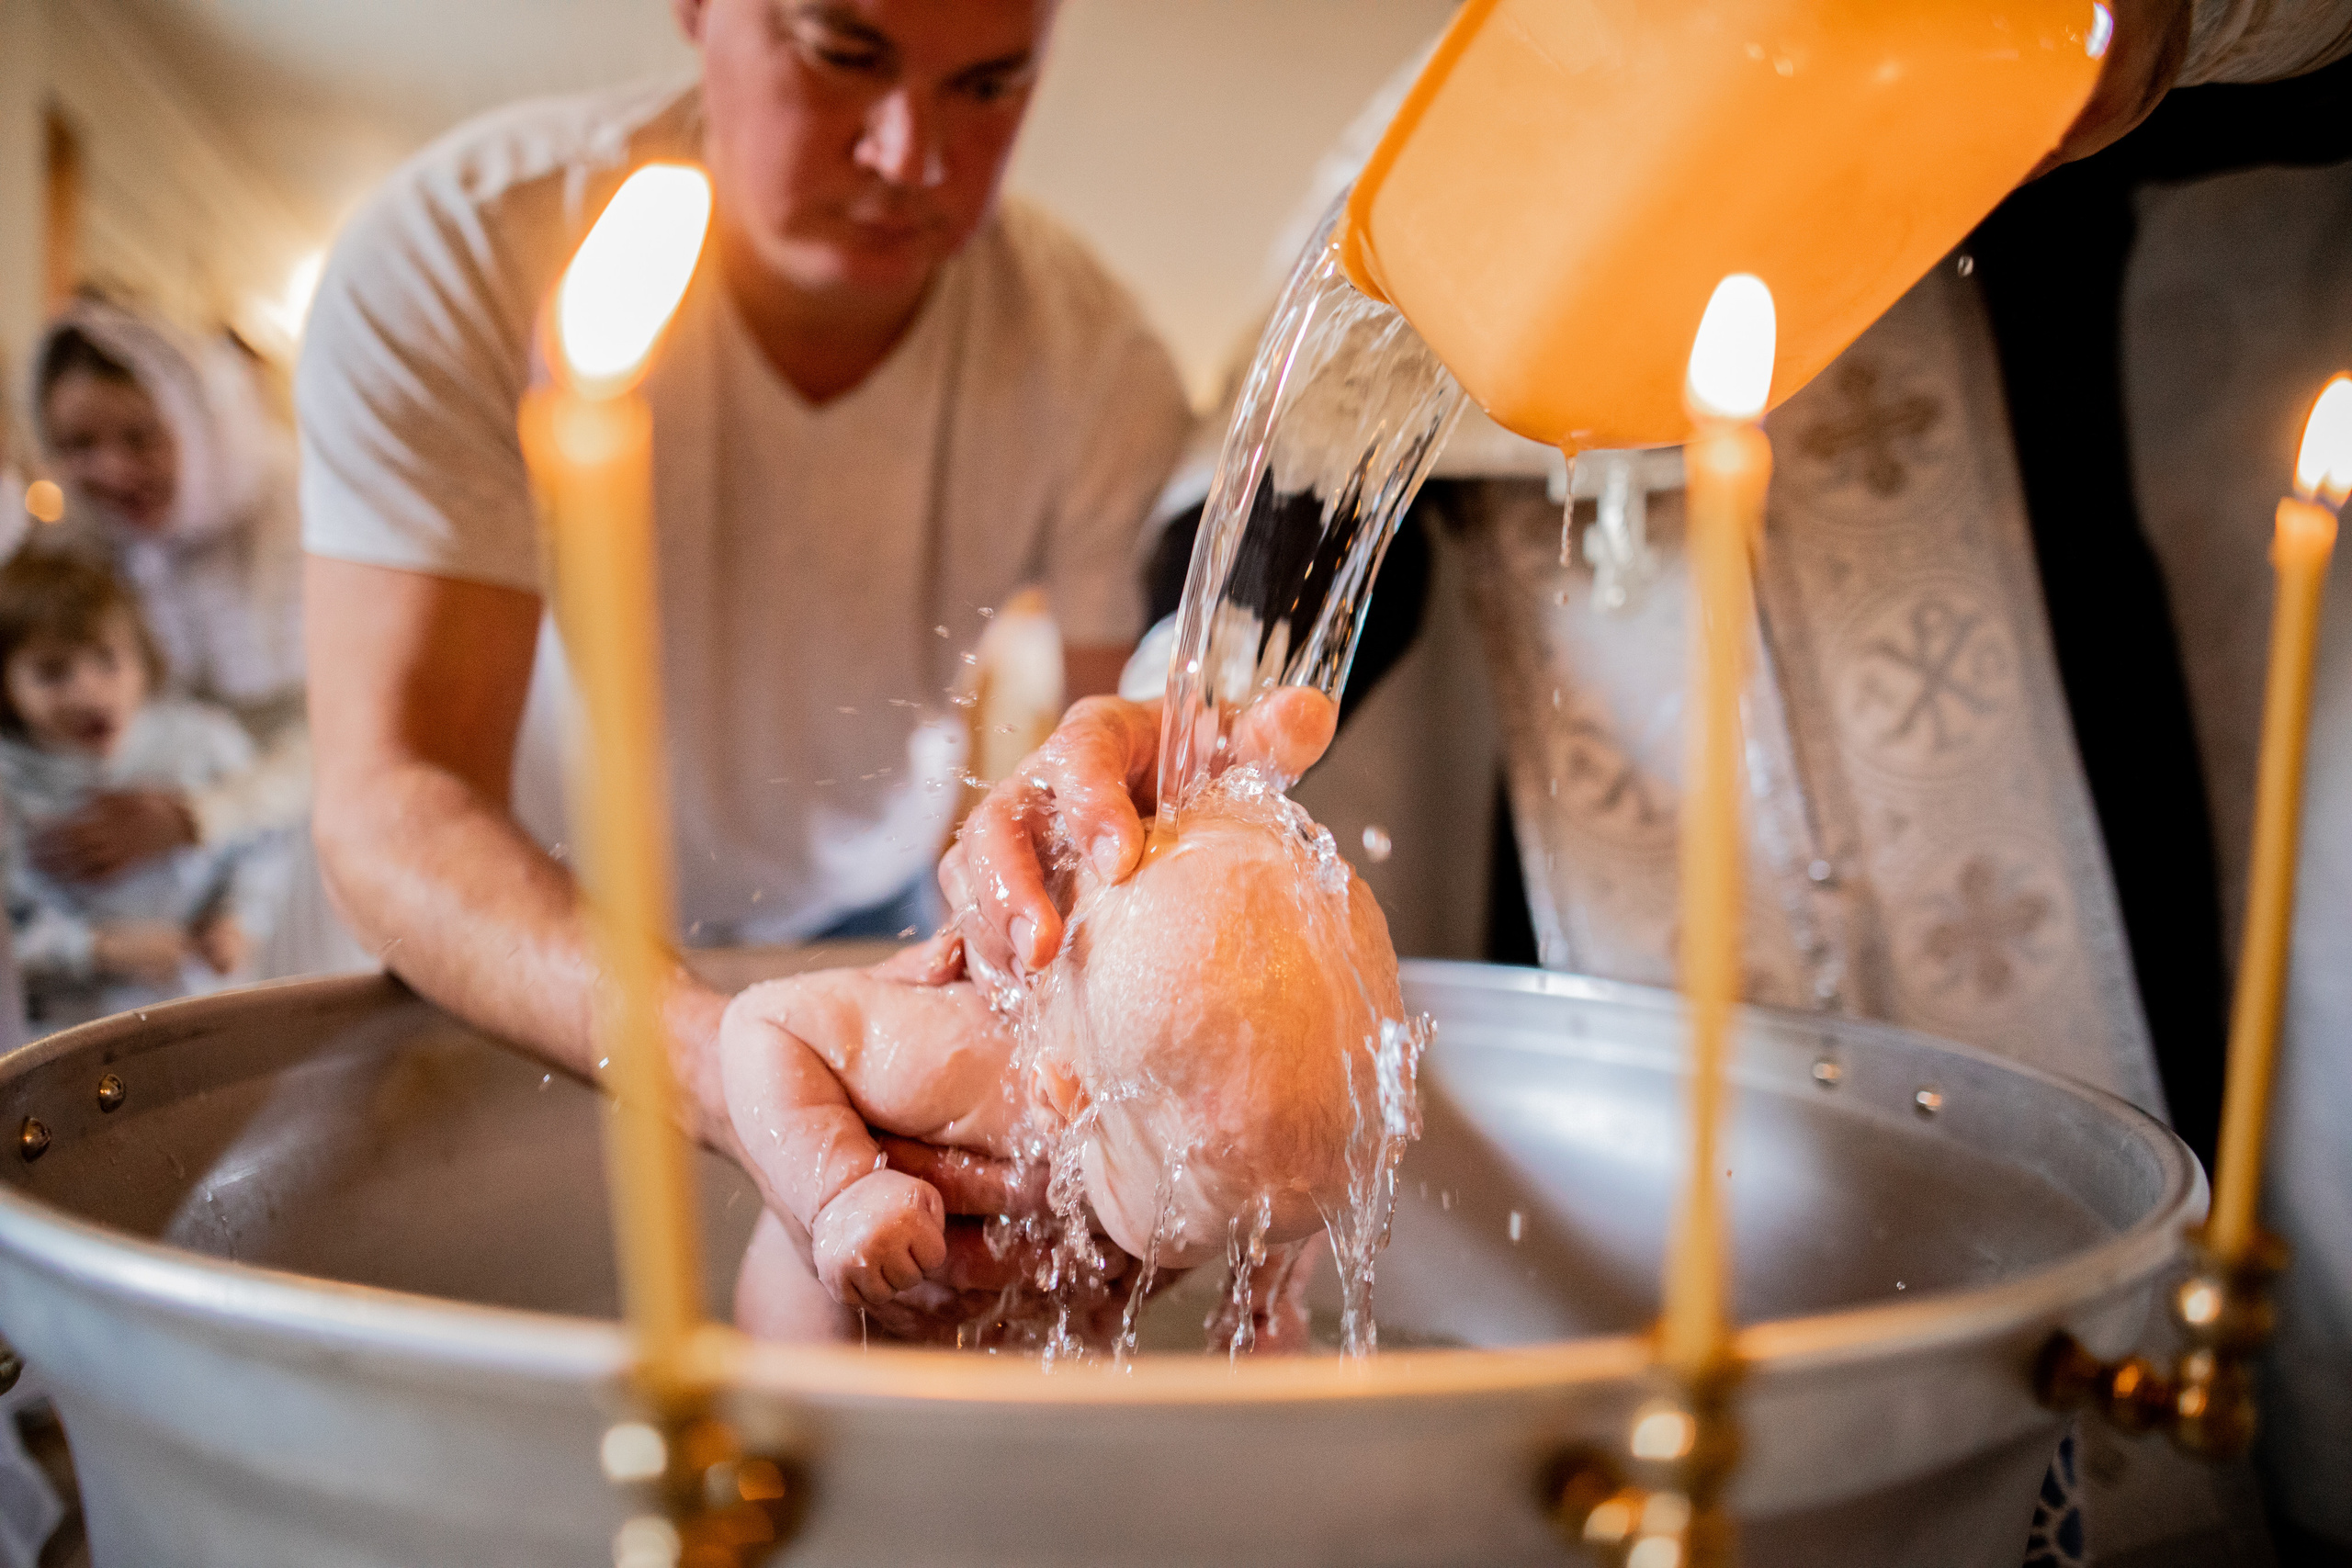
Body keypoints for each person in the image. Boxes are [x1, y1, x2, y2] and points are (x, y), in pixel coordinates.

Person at [299, 0, 1193, 1294]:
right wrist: (725, 1062)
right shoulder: (460, 255)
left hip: (873, 922)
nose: (910, 157)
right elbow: (393, 797)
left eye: (990, 85)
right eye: (842, 55)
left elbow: (1130, 781)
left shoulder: (1096, 364)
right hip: (524, 933)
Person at [721, 751, 1405, 1346]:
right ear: (1066, 1100)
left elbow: (1276, 1204)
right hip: (814, 1391)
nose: (1237, 1245)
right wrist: (841, 1188)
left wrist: (1265, 1306)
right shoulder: (955, 1056)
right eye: (1197, 1232)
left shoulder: (1260, 1129)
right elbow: (763, 1023)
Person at [28, 299, 335, 978]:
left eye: (141, 438)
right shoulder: (74, 548)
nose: (110, 470)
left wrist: (202, 815)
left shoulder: (301, 513)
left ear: (196, 424)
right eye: (78, 445)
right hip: (153, 888)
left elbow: (349, 729)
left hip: (310, 844)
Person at [0, 552, 276, 1031]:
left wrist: (240, 921)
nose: (87, 692)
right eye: (52, 673)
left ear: (144, 660)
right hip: (69, 1026)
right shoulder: (8, 782)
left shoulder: (202, 743)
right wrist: (99, 948)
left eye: (107, 660)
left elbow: (263, 843)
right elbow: (12, 929)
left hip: (206, 1006)